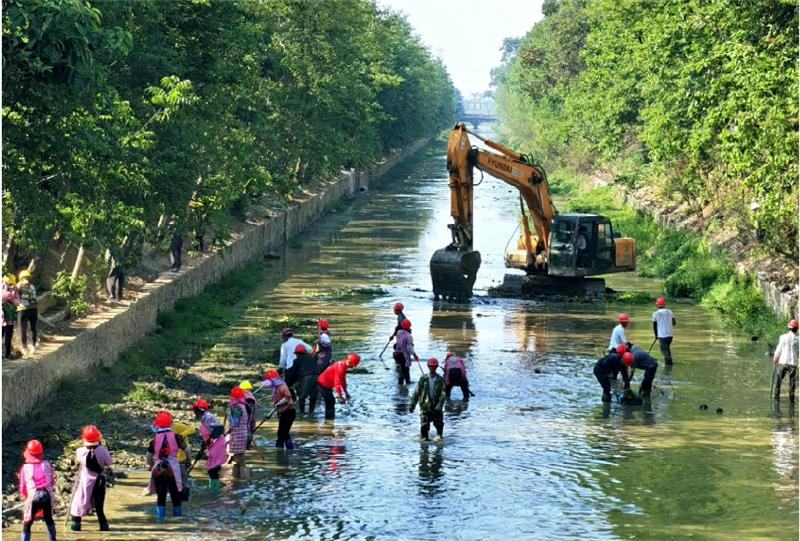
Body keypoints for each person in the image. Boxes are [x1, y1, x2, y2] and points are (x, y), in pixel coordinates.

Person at [69, 425, 112, 531]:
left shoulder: (80, 451)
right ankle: (104, 527)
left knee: (79, 502)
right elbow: (108, 463)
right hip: (99, 481)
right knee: (99, 507)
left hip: (86, 482)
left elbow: (79, 460)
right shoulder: (103, 450)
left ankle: (75, 526)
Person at [145, 410, 187, 519]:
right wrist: (188, 461)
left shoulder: (154, 440)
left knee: (161, 496)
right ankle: (178, 518)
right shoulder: (177, 437)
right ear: (170, 423)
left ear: (158, 425)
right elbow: (187, 450)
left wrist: (152, 465)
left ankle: (160, 519)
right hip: (173, 468)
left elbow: (148, 456)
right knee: (176, 495)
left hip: (159, 468)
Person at [18, 439, 57, 541]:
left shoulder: (25, 468)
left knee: (28, 522)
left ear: (28, 453)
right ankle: (52, 539)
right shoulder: (47, 464)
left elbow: (23, 486)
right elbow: (51, 481)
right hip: (47, 495)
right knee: (48, 518)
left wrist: (25, 496)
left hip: (33, 497)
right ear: (41, 453)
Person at [192, 399, 226, 489]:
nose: (194, 412)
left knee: (212, 470)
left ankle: (214, 490)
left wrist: (209, 439)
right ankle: (215, 487)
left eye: (195, 410)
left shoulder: (207, 417)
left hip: (217, 444)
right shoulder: (204, 418)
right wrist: (202, 449)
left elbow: (218, 429)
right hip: (214, 445)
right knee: (213, 469)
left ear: (198, 410)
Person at [409, 358, 447, 441]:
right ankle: (424, 446)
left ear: (436, 367)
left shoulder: (440, 380)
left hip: (437, 407)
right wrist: (412, 405)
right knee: (424, 429)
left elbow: (443, 395)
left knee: (439, 426)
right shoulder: (423, 379)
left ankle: (439, 444)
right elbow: (416, 392)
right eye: (431, 366)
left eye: (434, 366)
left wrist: (439, 406)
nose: (432, 368)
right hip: (425, 407)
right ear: (428, 366)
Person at [317, 353, 360, 420]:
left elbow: (343, 380)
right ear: (349, 362)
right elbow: (337, 382)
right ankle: (329, 420)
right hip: (322, 384)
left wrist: (346, 392)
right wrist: (339, 396)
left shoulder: (343, 365)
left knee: (331, 401)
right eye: (352, 365)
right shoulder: (340, 366)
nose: (352, 367)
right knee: (330, 402)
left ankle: (330, 419)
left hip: (327, 385)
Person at [261, 370, 296, 448]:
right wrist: (270, 414)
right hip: (282, 412)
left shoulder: (282, 386)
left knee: (284, 432)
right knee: (280, 433)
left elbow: (288, 396)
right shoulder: (275, 387)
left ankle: (289, 450)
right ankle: (279, 448)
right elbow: (276, 402)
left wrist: (279, 403)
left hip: (289, 411)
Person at [773, 319, 799, 402]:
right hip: (793, 364)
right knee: (792, 384)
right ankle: (791, 401)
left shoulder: (783, 337)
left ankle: (776, 400)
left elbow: (779, 349)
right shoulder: (798, 340)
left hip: (783, 363)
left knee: (778, 382)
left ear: (789, 328)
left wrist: (775, 358)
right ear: (797, 329)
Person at [227, 386, 249, 479]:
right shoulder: (243, 405)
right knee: (237, 457)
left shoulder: (237, 407)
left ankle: (245, 478)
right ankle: (236, 479)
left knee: (240, 459)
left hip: (238, 434)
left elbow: (234, 422)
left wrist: (229, 413)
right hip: (242, 432)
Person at [293, 344, 321, 413]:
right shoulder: (312, 358)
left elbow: (293, 373)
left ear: (298, 353)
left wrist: (290, 382)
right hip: (318, 377)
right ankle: (311, 412)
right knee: (313, 397)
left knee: (302, 397)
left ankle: (302, 414)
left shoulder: (297, 360)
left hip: (308, 377)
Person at [17, 269, 38, 355]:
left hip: (23, 309)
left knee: (22, 329)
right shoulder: (32, 286)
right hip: (33, 308)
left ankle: (24, 347)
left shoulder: (19, 285)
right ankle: (33, 345)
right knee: (33, 328)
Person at [393, 319, 420, 386]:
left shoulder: (399, 332)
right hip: (404, 356)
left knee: (401, 369)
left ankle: (401, 383)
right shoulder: (409, 336)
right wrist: (415, 355)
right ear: (409, 326)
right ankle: (407, 382)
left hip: (397, 354)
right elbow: (409, 348)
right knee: (406, 369)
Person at [652, 297, 676, 365]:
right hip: (670, 335)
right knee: (667, 349)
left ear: (657, 305)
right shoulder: (670, 312)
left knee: (664, 350)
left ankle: (669, 363)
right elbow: (674, 323)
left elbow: (654, 326)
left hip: (662, 336)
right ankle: (667, 362)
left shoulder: (655, 314)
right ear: (664, 305)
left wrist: (656, 335)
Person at [3, 274, 20, 359]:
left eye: (10, 284)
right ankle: (6, 354)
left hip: (10, 318)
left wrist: (12, 298)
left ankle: (7, 354)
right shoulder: (3, 289)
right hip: (3, 317)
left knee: (8, 337)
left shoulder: (15, 291)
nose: (9, 286)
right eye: (7, 283)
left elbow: (17, 303)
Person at [239, 380, 258, 447]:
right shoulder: (253, 399)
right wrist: (253, 428)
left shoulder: (239, 397)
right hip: (248, 428)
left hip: (239, 430)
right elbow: (253, 417)